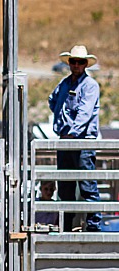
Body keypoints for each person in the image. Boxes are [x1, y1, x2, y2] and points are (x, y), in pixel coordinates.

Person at [48, 45, 101, 232]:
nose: (76, 65)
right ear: (69, 63)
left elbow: (85, 113)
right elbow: (52, 100)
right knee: (65, 187)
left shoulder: (90, 86)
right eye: (73, 61)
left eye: (80, 62)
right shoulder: (64, 84)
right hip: (66, 140)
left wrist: (70, 131)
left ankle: (93, 227)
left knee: (87, 186)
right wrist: (62, 127)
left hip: (82, 141)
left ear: (86, 64)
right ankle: (67, 225)